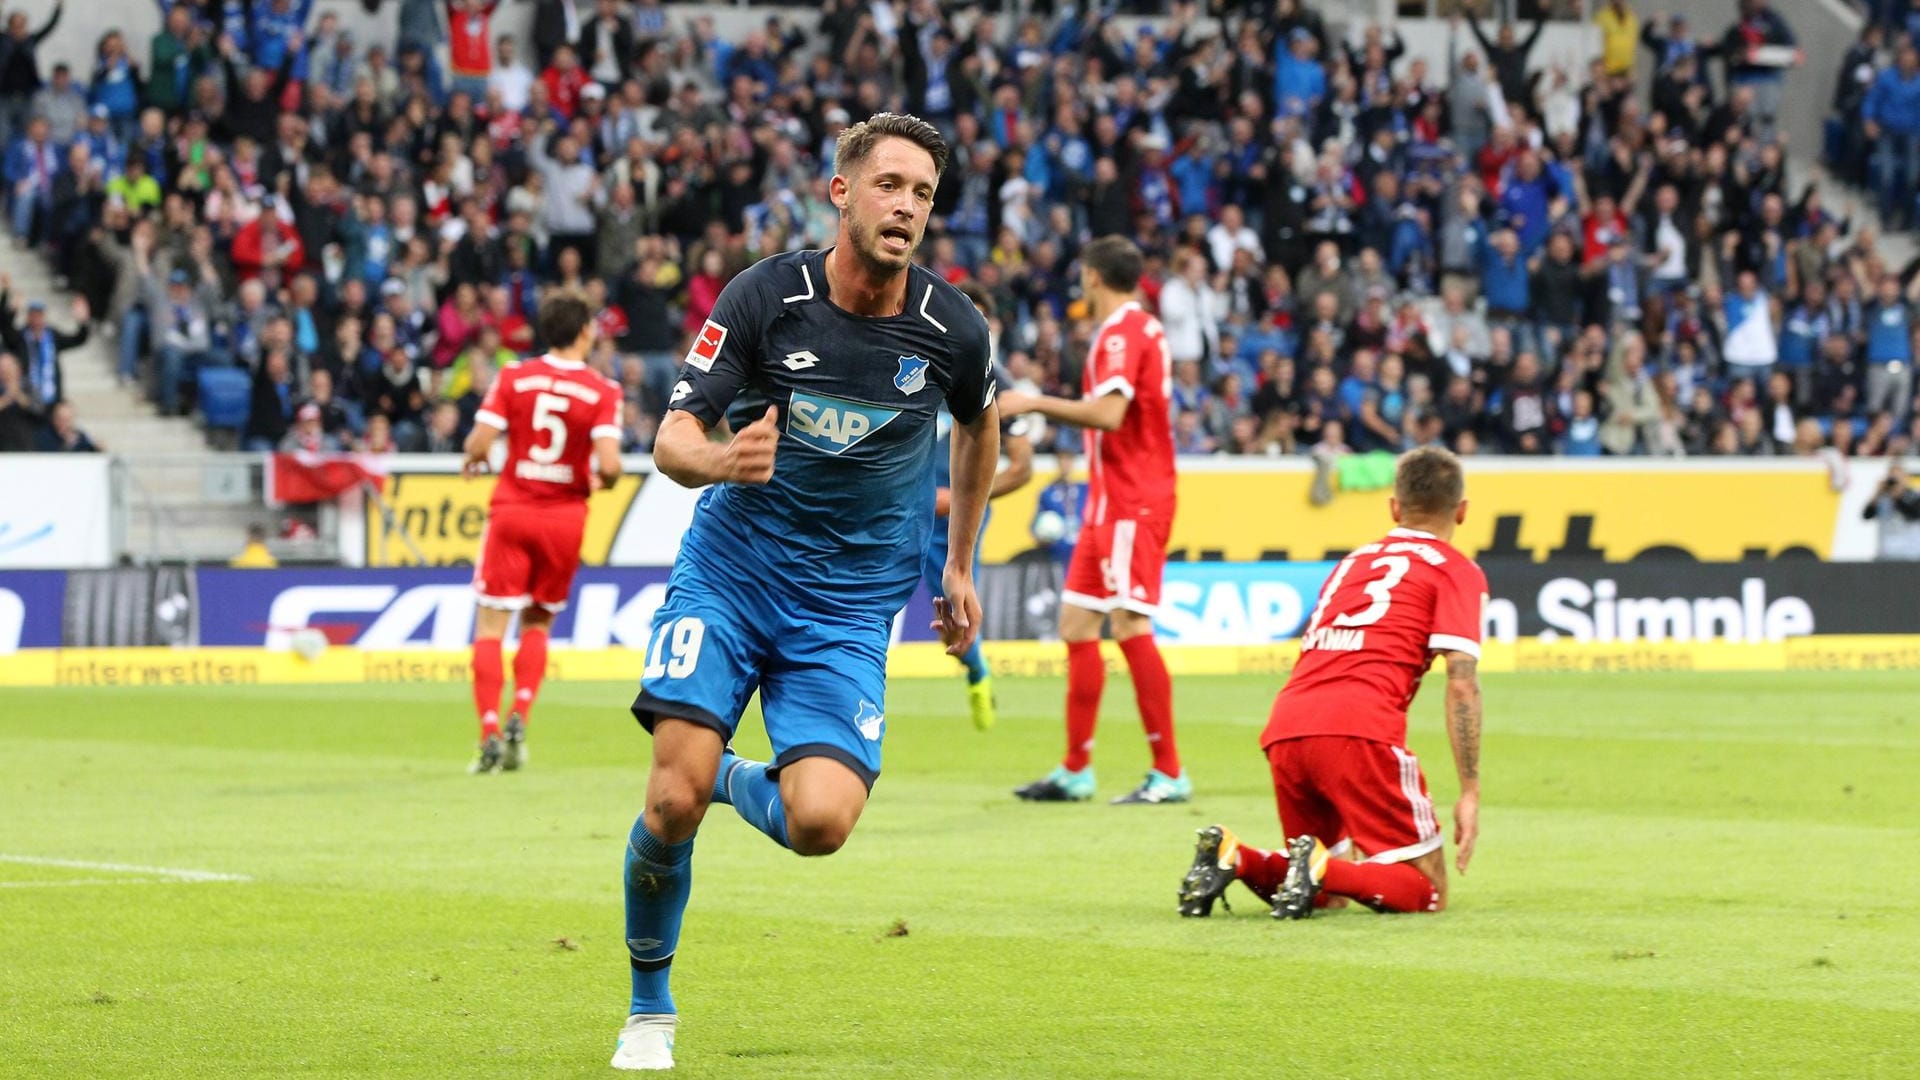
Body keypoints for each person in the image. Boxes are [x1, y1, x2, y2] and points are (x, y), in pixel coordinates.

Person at [614, 113, 996, 1072]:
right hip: (734, 576)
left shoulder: (953, 330)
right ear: (842, 192)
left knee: (820, 823)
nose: (906, 205)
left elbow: (981, 431)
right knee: (669, 800)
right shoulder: (762, 298)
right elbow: (672, 440)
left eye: (922, 193)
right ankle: (649, 1008)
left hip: (847, 607)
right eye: (890, 185)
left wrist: (957, 563)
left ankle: (738, 780)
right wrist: (720, 461)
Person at [1176, 447, 1485, 919]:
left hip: (1287, 725)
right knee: (1426, 890)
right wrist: (1469, 790)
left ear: (1394, 508)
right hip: (1360, 729)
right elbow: (1461, 681)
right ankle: (1318, 865)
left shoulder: (1351, 564)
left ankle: (1237, 857)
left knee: (1325, 893)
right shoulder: (1454, 570)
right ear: (1461, 511)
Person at [999, 235, 1188, 806]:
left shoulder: (1123, 332)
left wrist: (1034, 402)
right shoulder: (1136, 328)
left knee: (1130, 626)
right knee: (1077, 626)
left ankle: (1170, 772)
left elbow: (1109, 413)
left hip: (1135, 500)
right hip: (1108, 502)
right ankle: (1076, 769)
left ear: (1092, 278)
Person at [460, 290, 622, 774]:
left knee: (490, 627)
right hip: (564, 519)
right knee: (537, 623)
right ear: (585, 332)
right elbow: (611, 466)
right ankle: (520, 714)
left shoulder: (514, 377)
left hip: (513, 510)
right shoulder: (602, 391)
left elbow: (478, 441)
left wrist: (477, 456)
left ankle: (489, 729)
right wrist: (596, 479)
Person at [920, 278, 1034, 730]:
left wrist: (961, 498)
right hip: (899, 503)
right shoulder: (916, 360)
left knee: (950, 610)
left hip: (954, 519)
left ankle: (977, 672)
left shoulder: (1002, 387)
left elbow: (1022, 468)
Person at [1862, 463, 1920, 561]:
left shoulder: (1915, 495)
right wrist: (1877, 493)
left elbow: (1914, 513)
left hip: (1911, 554)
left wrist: (1897, 495)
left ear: (1906, 478)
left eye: (1897, 478)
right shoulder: (1884, 498)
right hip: (1886, 554)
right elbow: (1866, 515)